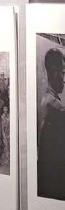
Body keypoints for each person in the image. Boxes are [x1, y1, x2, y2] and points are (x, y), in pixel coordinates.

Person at [38, 48, 65, 200]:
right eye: (63, 73)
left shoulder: (47, 100)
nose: (64, 78)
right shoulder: (54, 105)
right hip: (54, 183)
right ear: (54, 72)